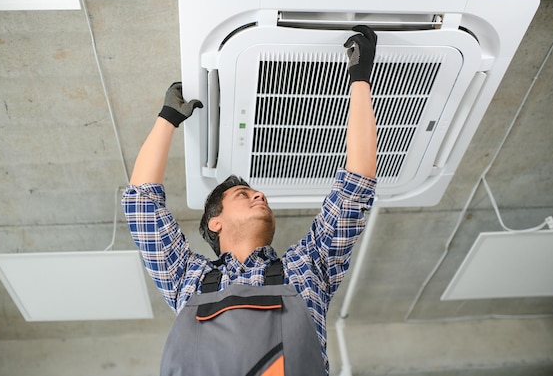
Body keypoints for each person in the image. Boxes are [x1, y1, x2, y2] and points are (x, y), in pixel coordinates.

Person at [122, 25, 378, 375]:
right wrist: (167, 119)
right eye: (244, 195)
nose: (260, 195)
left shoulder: (309, 266)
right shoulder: (189, 277)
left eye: (254, 193)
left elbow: (356, 187)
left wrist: (360, 78)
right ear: (216, 221)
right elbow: (140, 204)